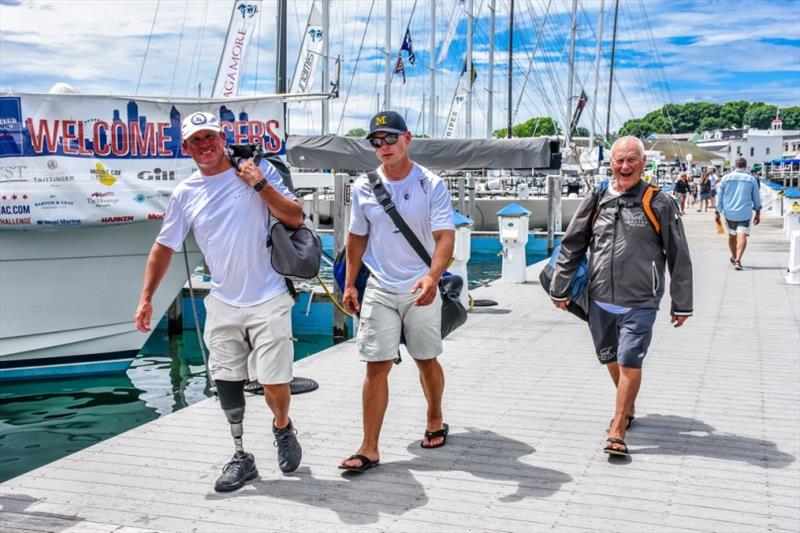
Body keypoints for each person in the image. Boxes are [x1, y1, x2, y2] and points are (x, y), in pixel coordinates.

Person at [134, 111, 304, 492]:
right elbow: (163, 248)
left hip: (269, 296)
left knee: (275, 381)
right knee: (226, 383)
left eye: (209, 136)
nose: (204, 145)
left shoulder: (256, 171)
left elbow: (295, 217)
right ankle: (242, 455)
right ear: (186, 148)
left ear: (222, 138)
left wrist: (260, 186)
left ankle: (282, 426)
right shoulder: (185, 193)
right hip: (223, 299)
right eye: (196, 140)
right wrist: (146, 299)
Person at [549, 136, 693, 457]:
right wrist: (560, 286)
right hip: (598, 298)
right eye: (618, 160)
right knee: (610, 357)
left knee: (629, 357)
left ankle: (618, 426)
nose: (624, 166)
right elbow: (573, 242)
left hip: (641, 300)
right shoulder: (599, 195)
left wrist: (682, 303)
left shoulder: (659, 202)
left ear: (643, 163)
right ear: (611, 163)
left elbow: (679, 255)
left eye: (631, 160)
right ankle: (627, 403)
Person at [338, 111, 456, 473]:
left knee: (425, 358)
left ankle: (434, 416)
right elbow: (357, 238)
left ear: (407, 138)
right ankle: (369, 447)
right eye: (376, 141)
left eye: (390, 138)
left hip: (421, 285)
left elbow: (445, 237)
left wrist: (432, 277)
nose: (384, 146)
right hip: (380, 286)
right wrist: (349, 285)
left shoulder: (430, 184)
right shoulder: (363, 186)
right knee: (376, 366)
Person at [716, 157, 762, 270]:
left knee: (732, 235)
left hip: (729, 212)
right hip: (745, 212)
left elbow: (719, 197)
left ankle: (734, 256)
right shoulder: (751, 179)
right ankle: (738, 260)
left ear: (735, 166)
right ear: (745, 166)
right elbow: (756, 197)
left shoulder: (725, 178)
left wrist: (717, 211)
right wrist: (758, 212)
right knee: (742, 235)